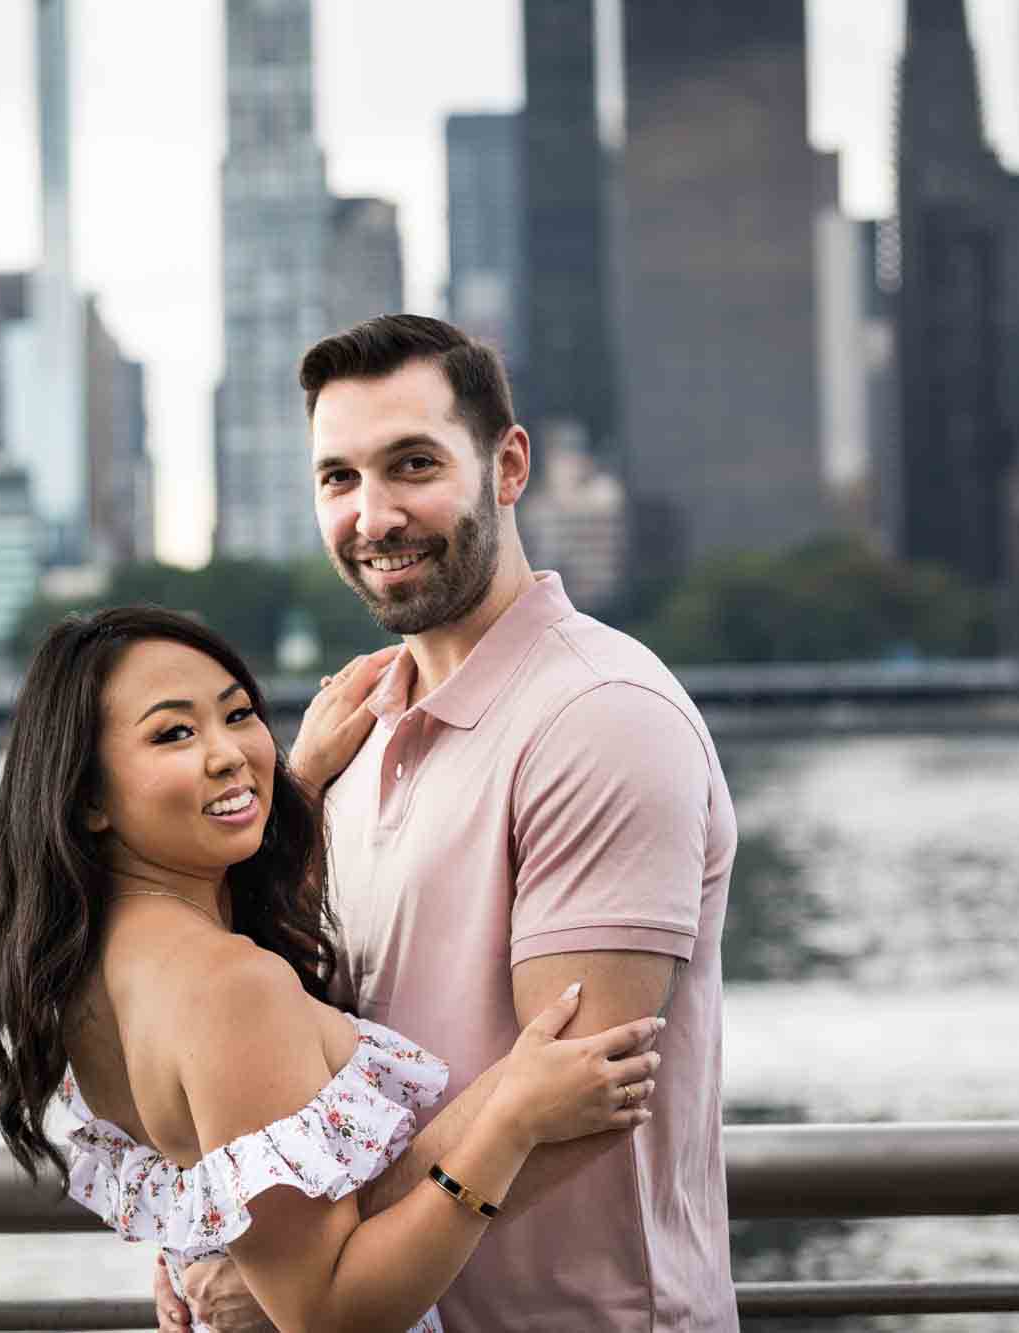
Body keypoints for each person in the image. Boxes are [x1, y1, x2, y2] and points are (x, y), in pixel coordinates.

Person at [159, 315, 740, 1332]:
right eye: (337, 478)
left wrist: (277, 1248)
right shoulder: (358, 734)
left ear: (507, 466)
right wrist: (229, 1221)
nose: (372, 515)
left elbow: (573, 1103)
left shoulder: (598, 716)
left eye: (412, 464)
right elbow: (265, 1029)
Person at [0, 605, 666, 1333]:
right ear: (89, 798)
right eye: (175, 732)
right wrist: (508, 1125)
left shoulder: (90, 968)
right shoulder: (228, 986)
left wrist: (304, 777)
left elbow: (226, 1174)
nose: (229, 752)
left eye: (237, 714)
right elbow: (327, 1314)